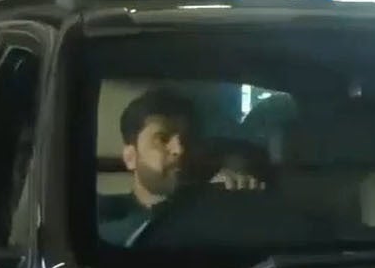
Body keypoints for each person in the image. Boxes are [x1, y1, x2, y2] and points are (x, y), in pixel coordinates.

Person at [97, 88, 261, 246]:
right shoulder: (103, 215)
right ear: (130, 157)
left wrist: (229, 201)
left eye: (187, 139)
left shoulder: (213, 203)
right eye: (162, 138)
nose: (180, 149)